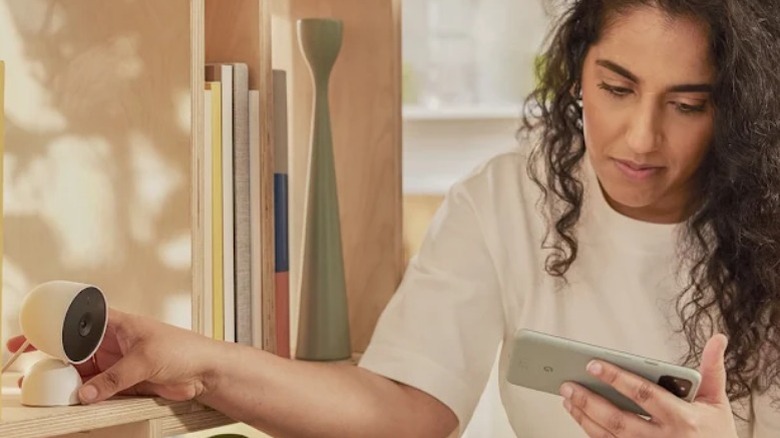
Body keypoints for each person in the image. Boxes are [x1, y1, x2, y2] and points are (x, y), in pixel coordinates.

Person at [8, 0, 780, 436]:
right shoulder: (510, 200)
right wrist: (198, 359)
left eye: (687, 105)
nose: (641, 138)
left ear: (739, 105)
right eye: (616, 88)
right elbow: (404, 410)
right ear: (576, 70)